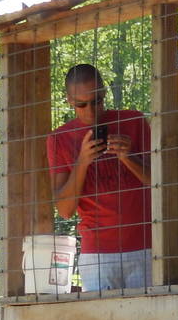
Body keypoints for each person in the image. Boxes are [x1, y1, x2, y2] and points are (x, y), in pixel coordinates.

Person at [45, 63, 152, 290]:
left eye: (97, 101)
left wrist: (128, 157)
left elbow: (160, 184)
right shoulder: (59, 139)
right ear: (69, 101)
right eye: (81, 104)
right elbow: (64, 210)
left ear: (105, 92)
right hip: (97, 256)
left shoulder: (134, 121)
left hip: (145, 247)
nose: (91, 111)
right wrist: (82, 161)